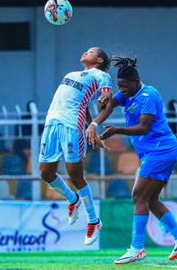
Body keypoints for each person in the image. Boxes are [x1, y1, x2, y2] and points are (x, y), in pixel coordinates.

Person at [99, 57, 177, 264]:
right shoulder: (127, 94)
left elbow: (144, 127)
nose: (121, 90)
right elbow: (109, 106)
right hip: (156, 152)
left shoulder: (148, 95)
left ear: (136, 82)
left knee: (138, 195)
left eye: (124, 86)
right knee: (149, 200)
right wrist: (96, 120)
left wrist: (116, 130)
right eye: (119, 86)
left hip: (161, 150)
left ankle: (137, 248)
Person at [39, 47, 113, 245]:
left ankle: (94, 220)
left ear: (99, 60)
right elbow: (83, 105)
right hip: (52, 123)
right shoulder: (71, 74)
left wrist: (95, 122)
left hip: (72, 126)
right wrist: (92, 125)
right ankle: (73, 200)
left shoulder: (102, 75)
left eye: (90, 51)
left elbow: (106, 101)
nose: (85, 52)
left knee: (75, 175)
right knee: (46, 173)